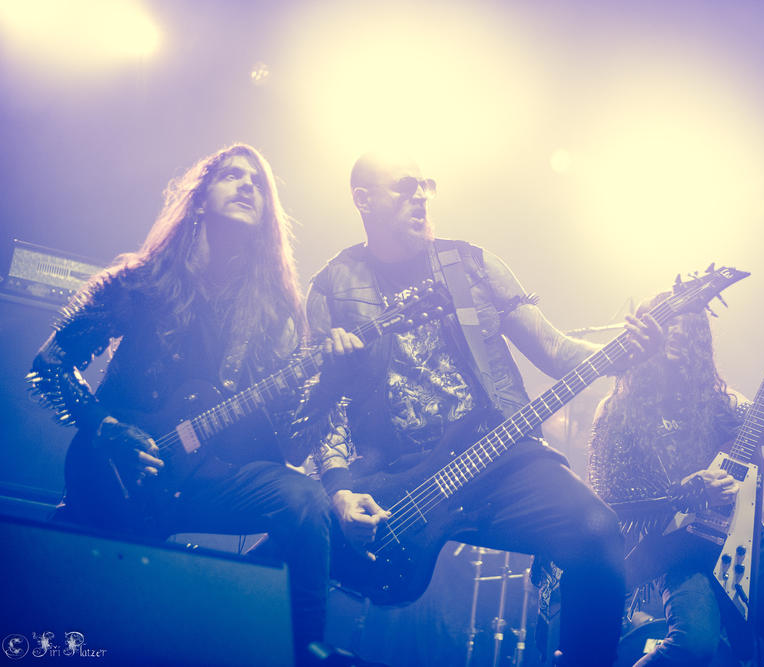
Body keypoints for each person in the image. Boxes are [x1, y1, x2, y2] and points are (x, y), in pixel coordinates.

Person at [300, 152, 663, 666]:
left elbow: (555, 350)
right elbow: (324, 406)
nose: (421, 195)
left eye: (426, 184)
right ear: (364, 199)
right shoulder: (332, 286)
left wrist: (624, 353)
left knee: (597, 533)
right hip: (401, 483)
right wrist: (339, 490)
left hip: (499, 456)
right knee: (305, 561)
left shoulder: (472, 265)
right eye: (405, 186)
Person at [27, 144, 337, 663]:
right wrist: (107, 429)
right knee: (61, 623)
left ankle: (301, 651)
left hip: (208, 477)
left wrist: (333, 382)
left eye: (258, 182)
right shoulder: (140, 281)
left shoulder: (275, 313)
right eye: (232, 175)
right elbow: (51, 362)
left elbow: (290, 439)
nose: (247, 185)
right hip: (120, 471)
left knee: (306, 501)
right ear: (199, 199)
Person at [588, 297, 764, 666]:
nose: (677, 331)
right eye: (668, 321)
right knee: (693, 645)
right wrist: (688, 492)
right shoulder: (617, 409)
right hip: (679, 550)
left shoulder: (720, 400)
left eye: (687, 324)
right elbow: (608, 499)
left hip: (744, 543)